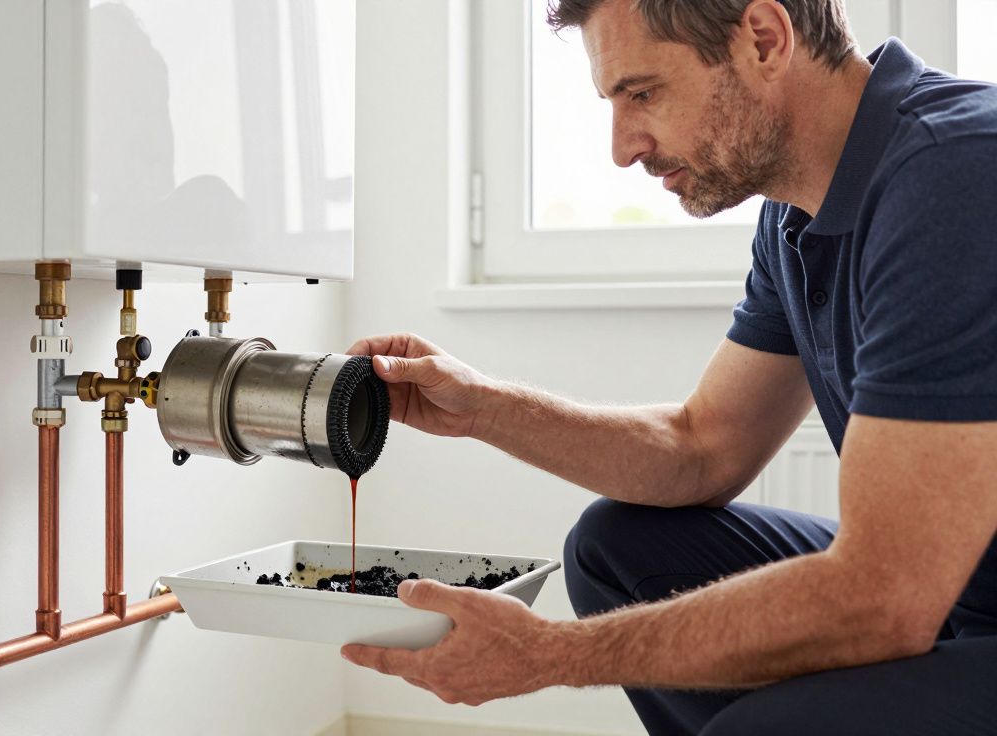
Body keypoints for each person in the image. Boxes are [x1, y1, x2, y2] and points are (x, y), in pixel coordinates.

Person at [338, 1, 997, 733]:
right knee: (617, 548)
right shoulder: (794, 215)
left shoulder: (956, 172)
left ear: (764, 40)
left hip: (942, 600)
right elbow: (702, 448)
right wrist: (482, 408)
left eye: (643, 92)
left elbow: (885, 599)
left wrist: (548, 655)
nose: (623, 149)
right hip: (953, 592)